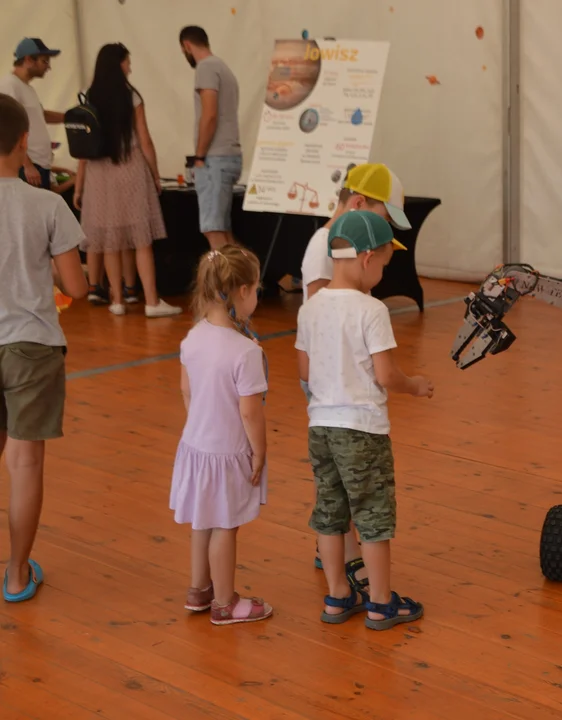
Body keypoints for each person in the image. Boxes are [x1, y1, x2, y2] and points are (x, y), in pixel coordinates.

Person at [296, 210, 431, 629]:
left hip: (320, 426)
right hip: (362, 430)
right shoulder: (371, 310)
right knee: (372, 515)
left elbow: (303, 370)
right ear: (368, 257)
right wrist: (416, 385)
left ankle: (337, 596)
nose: (383, 275)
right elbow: (386, 375)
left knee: (330, 511)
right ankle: (380, 601)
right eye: (386, 265)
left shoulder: (310, 307)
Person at [0, 93, 88, 602]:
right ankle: (15, 575)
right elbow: (76, 289)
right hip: (31, 345)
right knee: (26, 464)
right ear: (23, 141)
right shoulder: (47, 203)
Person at [169, 244, 272, 625]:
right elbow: (250, 412)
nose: (256, 296)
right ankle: (226, 603)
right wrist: (258, 452)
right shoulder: (245, 351)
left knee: (203, 520)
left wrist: (199, 424)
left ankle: (199, 590)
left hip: (196, 447)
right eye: (257, 289)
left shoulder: (193, 336)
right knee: (225, 525)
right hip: (227, 453)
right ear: (242, 291)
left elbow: (186, 390)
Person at [74, 44, 181, 318]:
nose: (130, 67)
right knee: (141, 240)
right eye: (127, 62)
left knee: (110, 239)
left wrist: (79, 184)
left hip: (99, 172)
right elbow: (144, 139)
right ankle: (152, 302)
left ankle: (117, 300)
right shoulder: (131, 96)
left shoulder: (89, 96)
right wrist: (155, 173)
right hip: (130, 166)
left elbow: (83, 147)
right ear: (118, 63)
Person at [300, 162, 412, 302]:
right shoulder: (323, 245)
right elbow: (317, 312)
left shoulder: (350, 242)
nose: (385, 227)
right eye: (384, 219)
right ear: (359, 203)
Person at [179, 26, 243, 250]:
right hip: (228, 155)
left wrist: (199, 156)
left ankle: (227, 284)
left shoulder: (206, 68)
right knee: (222, 230)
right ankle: (246, 281)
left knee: (213, 230)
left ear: (187, 46)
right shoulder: (223, 68)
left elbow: (210, 115)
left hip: (214, 158)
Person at [0, 38, 64, 190]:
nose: (48, 67)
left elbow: (41, 115)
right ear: (28, 59)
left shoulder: (26, 88)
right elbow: (8, 128)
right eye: (44, 61)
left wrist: (71, 116)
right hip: (29, 167)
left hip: (40, 165)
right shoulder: (9, 85)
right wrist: (27, 165)